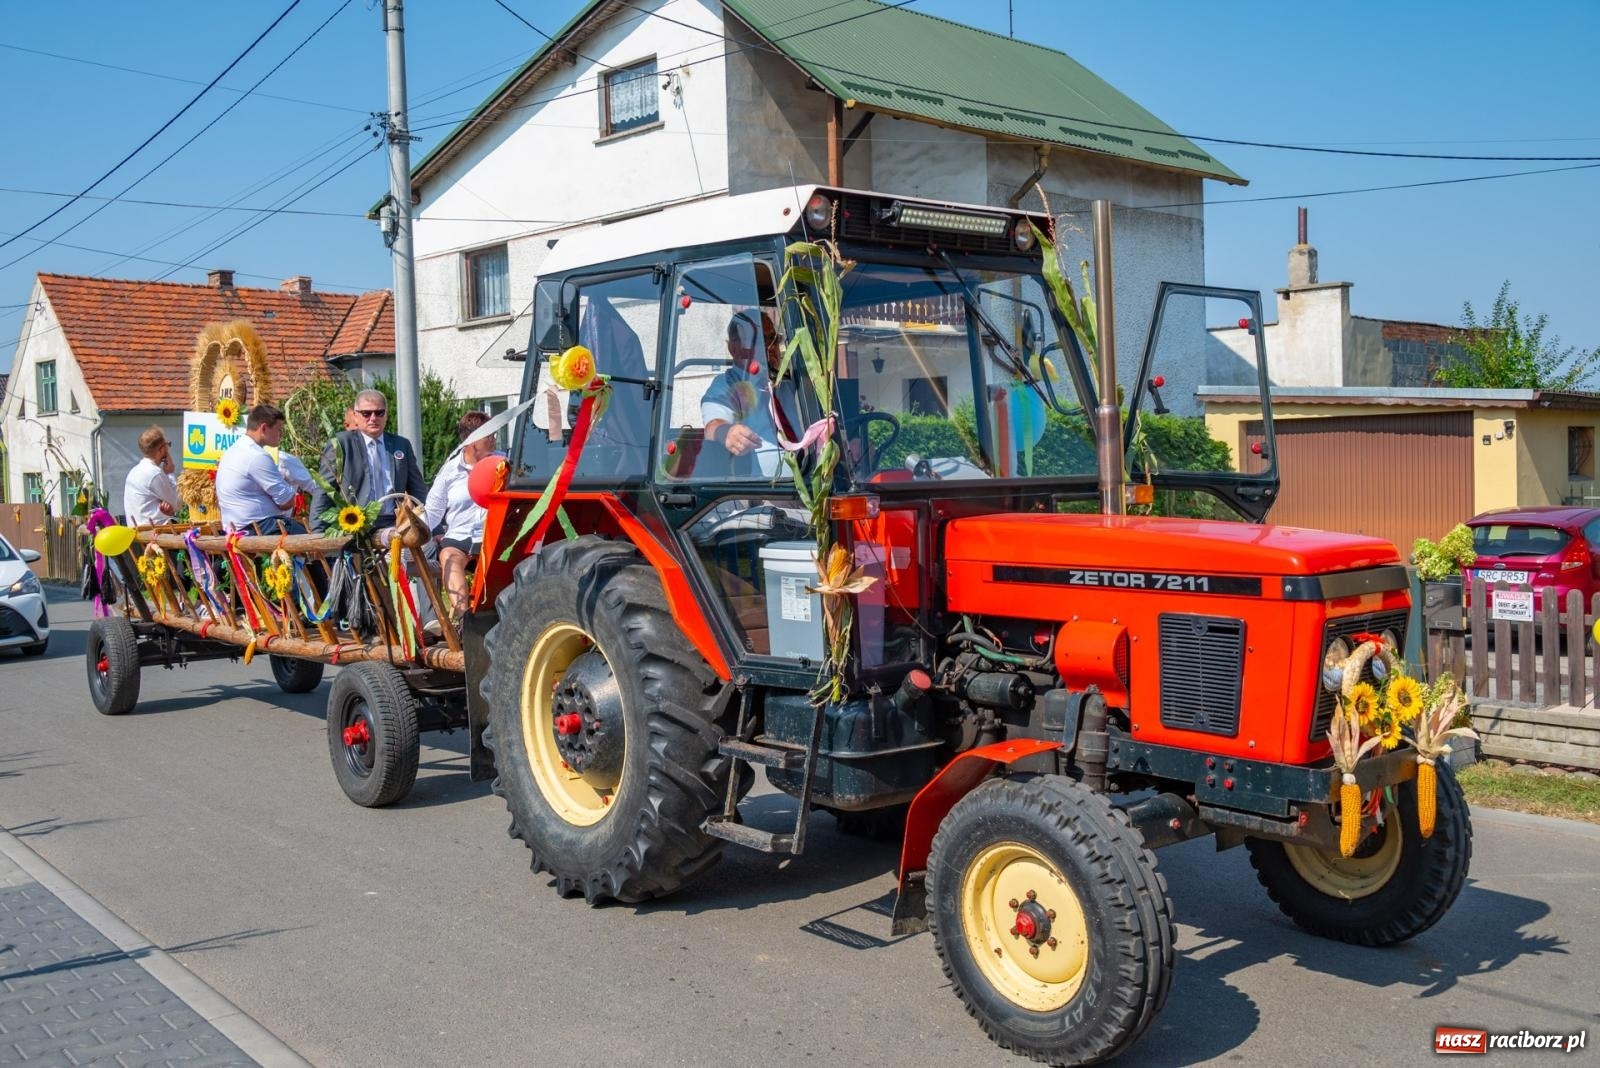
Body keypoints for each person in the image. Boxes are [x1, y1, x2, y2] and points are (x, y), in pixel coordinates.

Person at [424, 410, 500, 626]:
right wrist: (411, 534)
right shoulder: (449, 471)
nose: (494, 439)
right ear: (472, 441)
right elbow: (433, 512)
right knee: (448, 556)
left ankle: (500, 617)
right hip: (460, 536)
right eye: (489, 435)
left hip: (493, 535)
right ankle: (466, 620)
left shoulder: (503, 464)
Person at [313, 389, 427, 525]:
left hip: (394, 522)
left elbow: (418, 489)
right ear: (355, 416)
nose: (373, 418)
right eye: (366, 413)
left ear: (386, 414)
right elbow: (325, 490)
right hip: (355, 525)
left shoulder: (401, 444)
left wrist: (434, 526)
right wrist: (318, 530)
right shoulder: (341, 444)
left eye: (379, 413)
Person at [701, 309, 792, 476]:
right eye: (758, 341)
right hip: (762, 488)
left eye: (773, 339)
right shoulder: (726, 385)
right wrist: (728, 433)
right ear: (734, 349)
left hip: (814, 481)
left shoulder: (793, 386)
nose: (770, 347)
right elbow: (713, 426)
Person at [215, 404, 304, 534]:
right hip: (259, 528)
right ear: (263, 428)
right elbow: (287, 502)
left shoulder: (232, 450)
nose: (281, 434)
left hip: (238, 527)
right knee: (313, 538)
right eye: (279, 430)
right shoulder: (257, 456)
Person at [122, 425, 179, 526]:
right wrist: (170, 473)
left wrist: (166, 507)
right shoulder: (155, 473)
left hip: (136, 528)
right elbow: (177, 503)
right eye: (167, 445)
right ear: (162, 449)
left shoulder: (134, 471)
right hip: (154, 530)